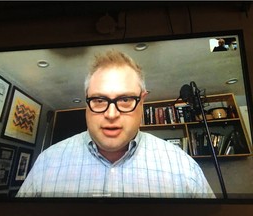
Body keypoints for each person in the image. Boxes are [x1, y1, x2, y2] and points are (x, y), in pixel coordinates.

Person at [16, 50, 215, 198]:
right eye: (100, 100)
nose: (111, 114)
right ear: (86, 100)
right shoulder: (47, 163)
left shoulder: (183, 167)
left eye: (125, 99)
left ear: (142, 101)